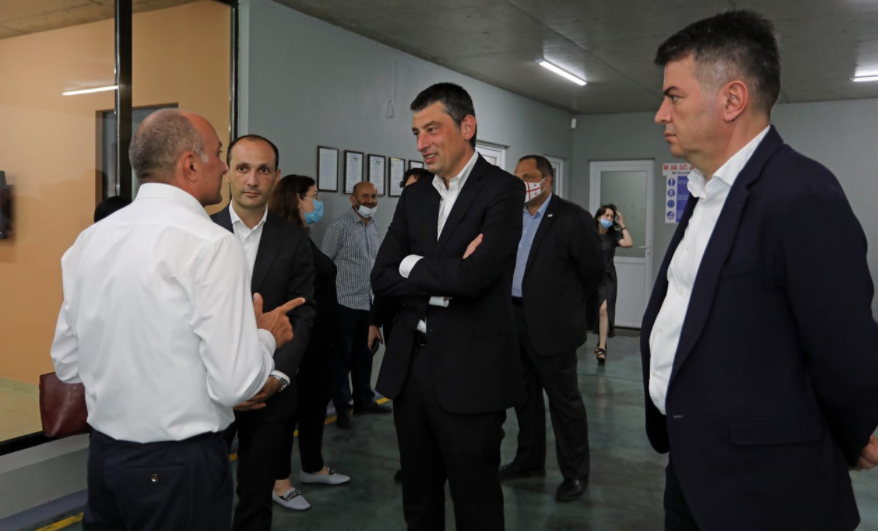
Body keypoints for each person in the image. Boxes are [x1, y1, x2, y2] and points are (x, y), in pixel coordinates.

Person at [644, 10, 878, 531]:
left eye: (674, 97)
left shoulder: (800, 194)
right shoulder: (706, 192)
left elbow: (845, 348)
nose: (660, 114)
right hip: (692, 466)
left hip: (766, 488)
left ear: (732, 99)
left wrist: (849, 435)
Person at [49, 109, 303, 531]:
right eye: (218, 155)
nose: (224, 168)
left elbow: (67, 364)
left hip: (106, 458)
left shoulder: (89, 241)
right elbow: (235, 384)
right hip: (179, 465)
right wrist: (264, 336)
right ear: (190, 164)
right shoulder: (211, 244)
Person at [371, 82, 525, 530]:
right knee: (418, 500)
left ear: (467, 126)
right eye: (416, 133)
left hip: (471, 372)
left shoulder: (503, 190)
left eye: (432, 129)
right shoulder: (416, 195)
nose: (421, 143)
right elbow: (382, 275)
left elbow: (474, 279)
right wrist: (446, 271)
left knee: (476, 504)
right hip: (411, 370)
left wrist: (412, 267)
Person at [211, 135, 316, 530]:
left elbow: (303, 314)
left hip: (270, 393)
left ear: (276, 176)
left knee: (256, 500)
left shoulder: (294, 239)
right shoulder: (201, 232)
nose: (252, 180)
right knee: (203, 493)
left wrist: (277, 378)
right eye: (243, 168)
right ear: (227, 173)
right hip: (210, 393)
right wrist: (219, 381)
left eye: (263, 170)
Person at [498, 154, 604, 502]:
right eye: (517, 176)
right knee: (524, 399)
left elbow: (593, 272)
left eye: (527, 177)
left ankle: (575, 474)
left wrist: (567, 308)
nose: (521, 183)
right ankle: (529, 460)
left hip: (553, 326)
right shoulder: (511, 215)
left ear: (547, 181)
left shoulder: (572, 217)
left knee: (564, 403)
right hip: (513, 319)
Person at [268, 174, 351, 511]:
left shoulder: (304, 236)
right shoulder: (285, 240)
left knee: (314, 406)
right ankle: (279, 482)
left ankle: (313, 466)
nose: (318, 203)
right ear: (297, 199)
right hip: (299, 343)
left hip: (320, 342)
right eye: (313, 196)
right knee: (287, 413)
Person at [321, 181, 390, 429]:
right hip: (344, 303)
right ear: (353, 199)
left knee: (364, 356)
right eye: (365, 196)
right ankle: (343, 407)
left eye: (374, 196)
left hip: (367, 303)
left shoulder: (374, 227)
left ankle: (364, 400)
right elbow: (324, 263)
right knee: (341, 359)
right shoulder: (339, 227)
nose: (370, 201)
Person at [591, 204, 632, 363]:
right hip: (590, 277)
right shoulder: (590, 232)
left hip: (607, 278)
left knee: (604, 310)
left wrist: (622, 224)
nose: (609, 219)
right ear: (598, 217)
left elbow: (628, 243)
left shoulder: (613, 235)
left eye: (611, 216)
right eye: (606, 215)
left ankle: (602, 346)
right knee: (589, 311)